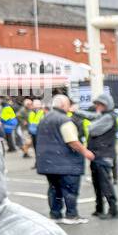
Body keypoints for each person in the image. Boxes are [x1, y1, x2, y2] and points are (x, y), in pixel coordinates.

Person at [34, 93, 93, 224]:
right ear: (63, 105)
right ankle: (71, 215)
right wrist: (86, 152)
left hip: (47, 163)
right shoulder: (64, 120)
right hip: (66, 162)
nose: (69, 107)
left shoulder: (44, 118)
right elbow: (72, 141)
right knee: (70, 189)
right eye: (68, 104)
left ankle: (55, 214)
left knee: (54, 189)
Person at [84, 90, 118, 219]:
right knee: (97, 183)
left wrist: (90, 124)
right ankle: (99, 208)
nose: (97, 107)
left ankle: (113, 210)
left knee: (105, 184)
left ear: (106, 105)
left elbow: (92, 129)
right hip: (98, 154)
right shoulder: (104, 116)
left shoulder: (108, 117)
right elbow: (89, 117)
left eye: (100, 104)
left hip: (103, 155)